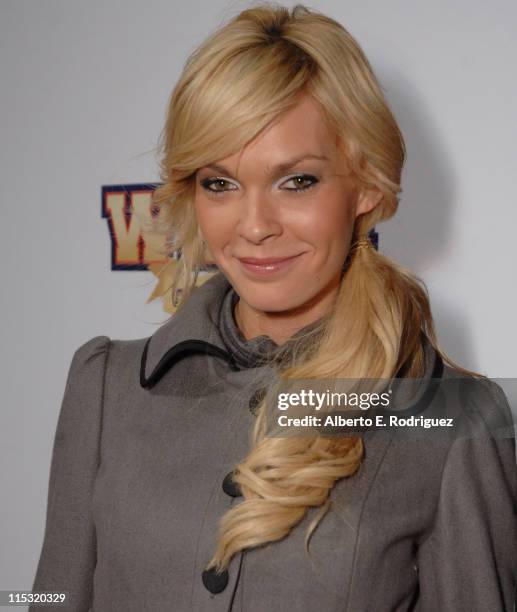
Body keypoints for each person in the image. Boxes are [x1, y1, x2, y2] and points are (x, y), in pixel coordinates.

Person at [30, 3, 516, 611]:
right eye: (220, 183)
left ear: (366, 183)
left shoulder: (453, 421)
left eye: (297, 181)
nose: (254, 226)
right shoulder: (107, 387)